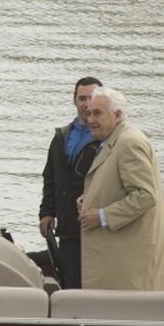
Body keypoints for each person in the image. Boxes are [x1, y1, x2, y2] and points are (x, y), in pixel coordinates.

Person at [76, 87, 164, 291]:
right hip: (119, 262)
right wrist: (90, 198)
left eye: (97, 113)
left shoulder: (129, 142)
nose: (90, 120)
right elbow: (120, 185)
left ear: (118, 115)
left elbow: (145, 195)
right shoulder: (115, 140)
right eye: (88, 114)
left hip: (130, 266)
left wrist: (102, 216)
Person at [38, 76, 103, 290]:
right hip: (66, 227)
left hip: (96, 226)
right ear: (74, 101)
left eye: (91, 99)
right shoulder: (62, 136)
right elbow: (51, 176)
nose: (86, 104)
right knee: (69, 280)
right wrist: (47, 212)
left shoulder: (107, 140)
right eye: (81, 98)